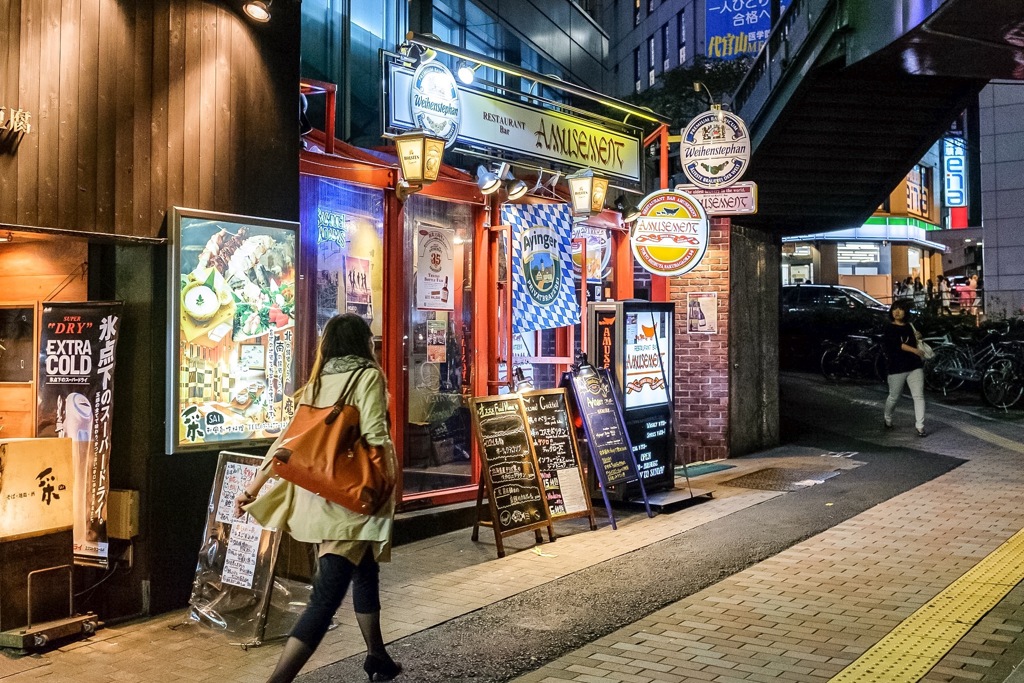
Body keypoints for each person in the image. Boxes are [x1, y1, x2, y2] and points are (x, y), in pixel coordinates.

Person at [234, 313, 401, 683]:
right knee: (325, 598)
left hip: (318, 495)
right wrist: (391, 482)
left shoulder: (317, 382)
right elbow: (376, 437)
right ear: (364, 343)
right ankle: (278, 680)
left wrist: (253, 487)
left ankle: (377, 656)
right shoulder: (367, 376)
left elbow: (286, 444)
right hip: (353, 499)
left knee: (365, 569)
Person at [882, 300, 927, 437]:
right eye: (894, 309)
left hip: (914, 365)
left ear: (905, 312)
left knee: (918, 396)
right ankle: (887, 418)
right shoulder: (889, 328)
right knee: (894, 397)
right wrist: (914, 350)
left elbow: (915, 341)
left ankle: (920, 426)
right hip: (897, 367)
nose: (896, 312)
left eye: (900, 309)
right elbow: (897, 344)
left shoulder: (910, 326)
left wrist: (918, 336)